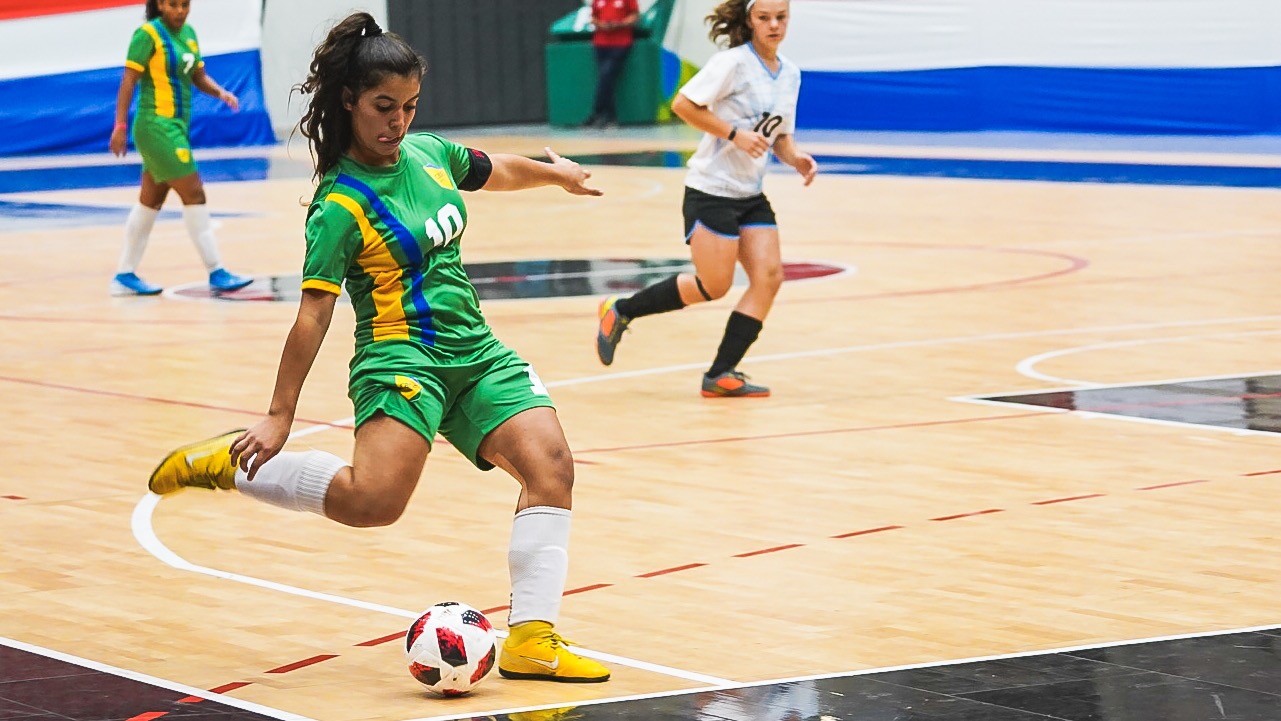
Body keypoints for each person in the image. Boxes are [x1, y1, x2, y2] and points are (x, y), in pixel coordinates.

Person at [147, 12, 611, 684]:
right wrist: (279, 413)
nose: (396, 122)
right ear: (349, 102)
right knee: (375, 502)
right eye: (383, 107)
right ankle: (234, 464)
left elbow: (490, 169)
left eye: (409, 107)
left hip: (475, 352)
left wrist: (552, 172)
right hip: (399, 361)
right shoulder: (338, 204)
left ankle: (531, 638)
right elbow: (311, 314)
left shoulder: (426, 153)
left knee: (553, 467)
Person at [594, 0, 817, 397]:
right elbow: (683, 104)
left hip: (750, 193)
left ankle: (721, 372)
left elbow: (779, 135)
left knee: (769, 278)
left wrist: (795, 158)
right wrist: (733, 134)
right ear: (749, 20)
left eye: (781, 18)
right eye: (764, 17)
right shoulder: (732, 63)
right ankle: (622, 310)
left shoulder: (791, 74)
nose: (774, 25)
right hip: (711, 190)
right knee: (714, 285)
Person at [108, 0, 253, 296]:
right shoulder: (147, 34)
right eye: (173, 5)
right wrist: (120, 126)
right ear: (160, 5)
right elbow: (128, 81)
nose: (180, 11)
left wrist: (220, 92)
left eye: (185, 5)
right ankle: (217, 270)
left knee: (150, 200)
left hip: (177, 127)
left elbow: (197, 75)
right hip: (155, 126)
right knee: (194, 191)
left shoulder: (189, 34)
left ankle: (124, 275)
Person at [583, 0, 640, 129]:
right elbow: (593, 17)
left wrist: (619, 24)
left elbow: (634, 16)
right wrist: (602, 24)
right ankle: (609, 115)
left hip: (620, 43)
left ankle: (597, 112)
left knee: (606, 75)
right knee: (606, 80)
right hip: (601, 43)